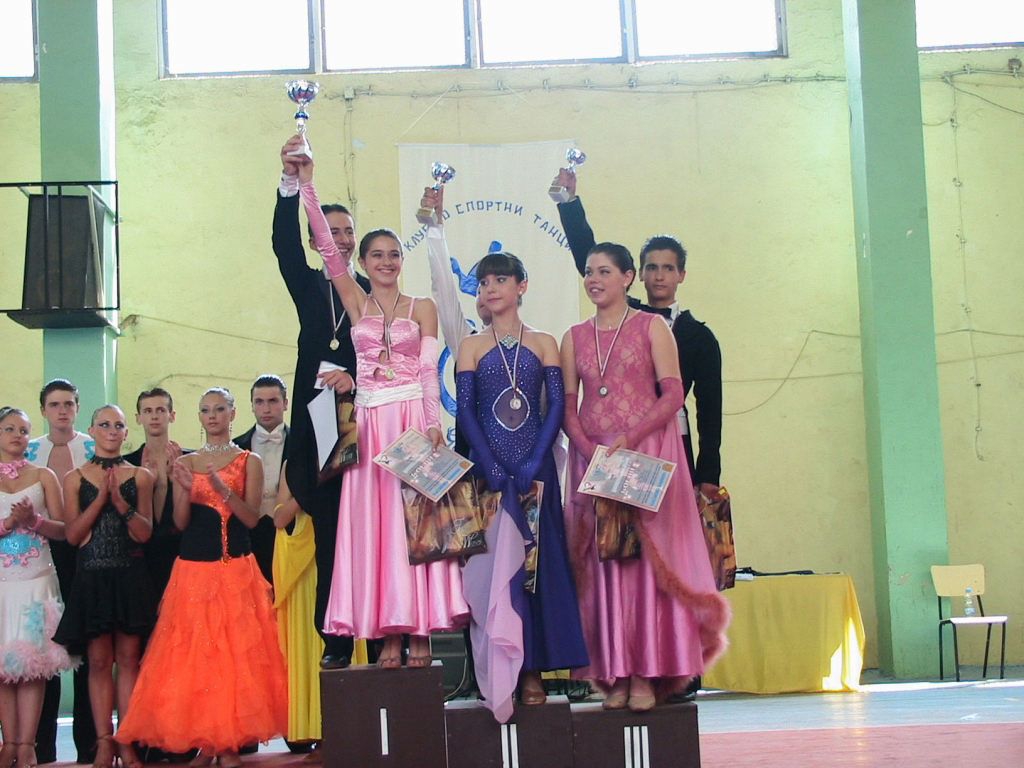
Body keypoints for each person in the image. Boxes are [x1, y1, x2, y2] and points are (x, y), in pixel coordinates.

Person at [298, 153, 469, 668]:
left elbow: (428, 370)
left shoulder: (423, 308)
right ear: (365, 261)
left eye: (394, 254)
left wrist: (434, 425)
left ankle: (420, 633)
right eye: (377, 255)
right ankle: (388, 634)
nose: (387, 262)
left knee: (415, 524)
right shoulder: (356, 301)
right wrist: (307, 184)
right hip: (371, 425)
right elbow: (327, 247)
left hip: (412, 420)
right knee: (378, 530)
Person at [560, 243, 729, 712]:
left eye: (605, 271)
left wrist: (630, 439)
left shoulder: (652, 326)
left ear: (627, 277)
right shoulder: (573, 336)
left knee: (646, 568)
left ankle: (647, 674)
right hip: (595, 460)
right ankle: (613, 674)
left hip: (645, 454)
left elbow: (673, 395)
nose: (594, 280)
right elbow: (568, 405)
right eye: (589, 272)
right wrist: (590, 451)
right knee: (605, 565)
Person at [115, 388, 287, 766]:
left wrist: (224, 492)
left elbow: (252, 518)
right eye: (206, 410)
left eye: (219, 409)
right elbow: (179, 523)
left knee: (234, 659)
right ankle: (209, 746)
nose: (212, 416)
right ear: (199, 417)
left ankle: (223, 747)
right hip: (193, 570)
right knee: (196, 659)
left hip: (236, 569)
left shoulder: (249, 460)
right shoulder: (188, 461)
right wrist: (183, 490)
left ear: (232, 414)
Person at [455, 252, 588, 723]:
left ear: (521, 286)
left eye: (500, 280)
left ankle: (532, 670)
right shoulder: (471, 346)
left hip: (536, 472)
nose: (490, 289)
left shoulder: (544, 342)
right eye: (483, 282)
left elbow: (555, 407)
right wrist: (487, 461)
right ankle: (500, 670)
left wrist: (536, 458)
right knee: (496, 570)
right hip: (490, 475)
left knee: (536, 566)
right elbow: (466, 410)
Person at [552, 171, 723, 492]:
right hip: (615, 441)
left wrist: (709, 474)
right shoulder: (627, 318)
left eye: (668, 268)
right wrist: (568, 203)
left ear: (682, 274)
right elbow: (592, 259)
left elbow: (710, 410)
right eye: (652, 267)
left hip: (673, 438)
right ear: (637, 275)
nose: (659, 276)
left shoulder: (700, 337)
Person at [274, 135, 371, 670]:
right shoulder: (310, 287)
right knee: (330, 534)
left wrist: (354, 378)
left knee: (374, 533)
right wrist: (291, 185)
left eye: (348, 230)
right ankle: (334, 640)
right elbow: (282, 245)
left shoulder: (372, 293)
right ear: (317, 240)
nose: (343, 238)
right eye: (331, 231)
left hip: (367, 428)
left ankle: (387, 637)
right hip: (318, 431)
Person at [53, 405, 156, 768]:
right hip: (92, 578)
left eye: (118, 425)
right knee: (98, 661)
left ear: (126, 432)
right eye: (105, 424)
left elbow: (144, 533)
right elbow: (72, 535)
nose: (112, 430)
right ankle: (103, 742)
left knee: (128, 660)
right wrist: (99, 500)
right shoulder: (75, 477)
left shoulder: (141, 476)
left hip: (129, 577)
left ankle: (126, 740)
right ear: (92, 430)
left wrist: (121, 504)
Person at [26, 379, 96, 764]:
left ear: (77, 408)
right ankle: (41, 745)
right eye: (54, 404)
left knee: (85, 646)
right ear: (44, 410)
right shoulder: (30, 450)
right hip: (39, 557)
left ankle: (89, 744)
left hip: (86, 555)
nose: (62, 410)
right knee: (45, 647)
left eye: (69, 403)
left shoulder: (92, 447)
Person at [0, 407, 74, 768]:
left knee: (32, 664)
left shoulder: (44, 475)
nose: (18, 435)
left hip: (37, 579)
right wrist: (7, 524)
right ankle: (9, 743)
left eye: (24, 430)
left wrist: (33, 521)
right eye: (10, 429)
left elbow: (65, 530)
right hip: (2, 584)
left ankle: (28, 744)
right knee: (3, 667)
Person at [123, 388, 188, 603]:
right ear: (138, 418)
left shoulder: (189, 459)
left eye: (160, 410)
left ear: (172, 415)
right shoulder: (128, 464)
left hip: (180, 555)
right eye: (148, 411)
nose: (154, 416)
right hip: (140, 559)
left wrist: (175, 479)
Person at [234, 375, 289, 584]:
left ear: (285, 403)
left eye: (273, 401)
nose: (266, 409)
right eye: (259, 402)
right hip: (247, 535)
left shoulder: (300, 445)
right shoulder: (236, 447)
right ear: (252, 405)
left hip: (288, 532)